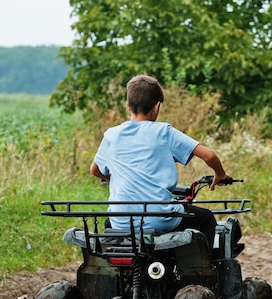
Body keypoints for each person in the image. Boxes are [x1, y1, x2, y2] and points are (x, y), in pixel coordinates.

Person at [89, 74, 229, 251]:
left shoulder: (111, 135)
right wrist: (221, 174)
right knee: (207, 218)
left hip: (121, 221)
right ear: (156, 107)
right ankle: (203, 269)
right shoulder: (163, 132)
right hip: (160, 218)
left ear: (127, 105)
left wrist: (112, 177)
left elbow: (95, 170)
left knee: (110, 223)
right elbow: (209, 155)